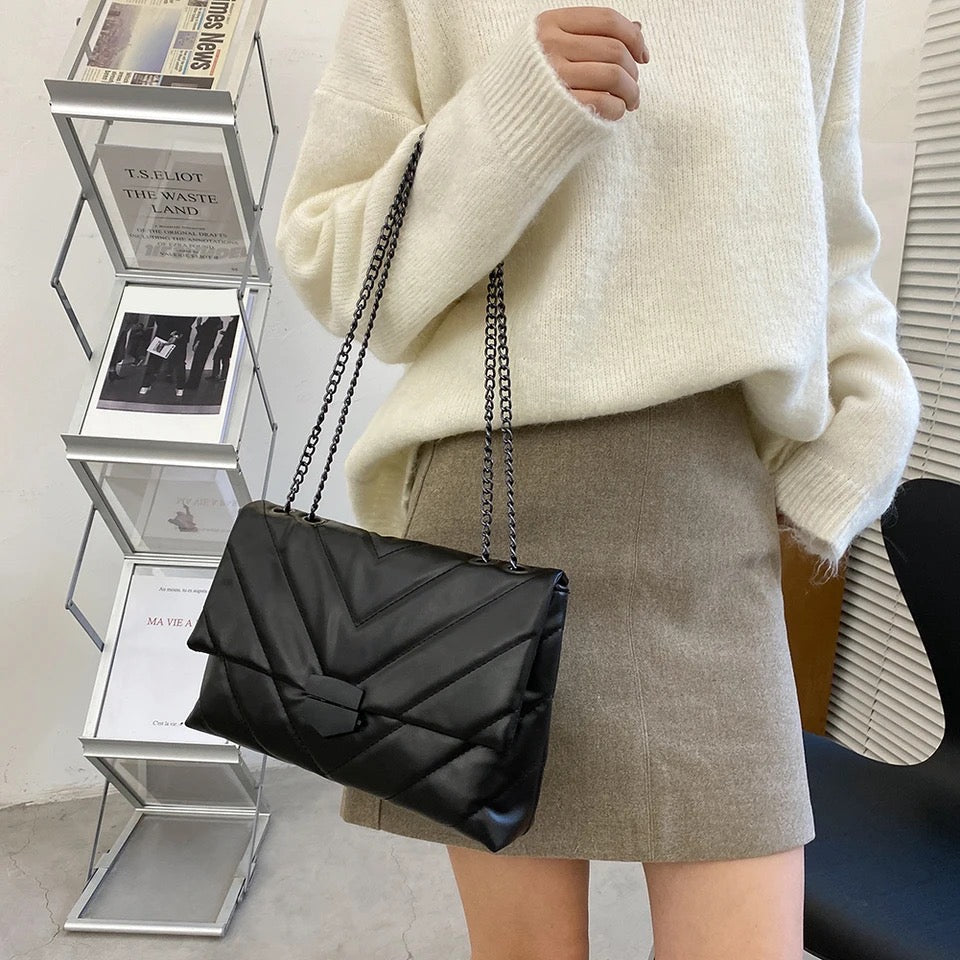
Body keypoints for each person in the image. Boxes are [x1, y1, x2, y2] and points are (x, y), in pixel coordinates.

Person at [275, 4, 922, 959]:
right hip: (489, 521)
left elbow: (832, 242)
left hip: (706, 520)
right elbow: (335, 266)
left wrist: (868, 423)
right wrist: (511, 115)